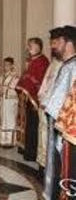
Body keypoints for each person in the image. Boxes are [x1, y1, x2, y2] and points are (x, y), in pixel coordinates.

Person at [44, 25, 76, 200]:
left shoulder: (74, 66)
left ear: (68, 43)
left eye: (56, 42)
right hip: (57, 123)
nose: (52, 46)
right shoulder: (66, 65)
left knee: (66, 166)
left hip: (67, 130)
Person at [16, 37, 49, 161]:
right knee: (29, 125)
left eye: (31, 45)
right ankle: (27, 149)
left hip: (36, 99)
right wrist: (22, 87)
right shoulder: (32, 60)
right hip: (28, 99)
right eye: (28, 45)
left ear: (39, 46)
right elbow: (25, 78)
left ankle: (32, 152)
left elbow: (39, 81)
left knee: (34, 126)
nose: (28, 48)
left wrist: (26, 88)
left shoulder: (42, 61)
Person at [36, 28, 63, 176]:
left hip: (53, 109)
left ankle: (50, 168)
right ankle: (43, 165)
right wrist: (41, 97)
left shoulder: (66, 64)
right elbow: (46, 82)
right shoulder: (53, 63)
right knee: (43, 136)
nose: (52, 47)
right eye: (51, 43)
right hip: (45, 105)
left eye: (55, 43)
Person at [0, 57, 19, 147]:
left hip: (10, 102)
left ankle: (9, 142)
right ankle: (1, 139)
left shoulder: (15, 77)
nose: (5, 67)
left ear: (12, 66)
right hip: (2, 101)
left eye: (7, 65)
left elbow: (15, 90)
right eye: (4, 65)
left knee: (9, 121)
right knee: (1, 120)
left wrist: (3, 90)